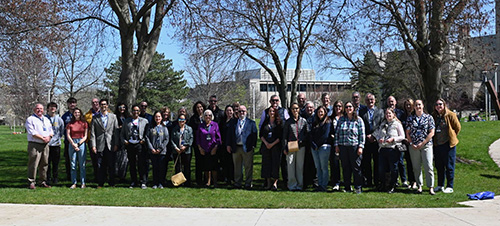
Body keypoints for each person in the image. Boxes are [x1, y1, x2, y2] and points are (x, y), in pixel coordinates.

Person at [405, 100, 436, 195]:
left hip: (426, 145)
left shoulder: (428, 117)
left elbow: (432, 132)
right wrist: (411, 143)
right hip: (414, 146)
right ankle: (419, 186)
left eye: (419, 105)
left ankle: (430, 187)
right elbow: (407, 133)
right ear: (414, 107)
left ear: (422, 106)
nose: (418, 107)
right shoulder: (410, 118)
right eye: (416, 105)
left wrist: (423, 142)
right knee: (416, 167)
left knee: (428, 166)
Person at [335, 101, 365, 194]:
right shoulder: (341, 119)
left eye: (350, 107)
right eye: (347, 107)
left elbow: (362, 134)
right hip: (343, 146)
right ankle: (347, 187)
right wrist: (336, 145)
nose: (348, 108)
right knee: (345, 167)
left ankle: (358, 186)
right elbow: (337, 134)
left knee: (356, 167)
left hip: (354, 146)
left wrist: (361, 146)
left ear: (353, 108)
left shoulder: (358, 120)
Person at [432, 98, 461, 194]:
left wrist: (452, 136)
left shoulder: (450, 115)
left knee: (449, 166)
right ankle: (440, 185)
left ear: (444, 105)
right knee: (439, 166)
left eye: (440, 104)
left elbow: (457, 127)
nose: (438, 106)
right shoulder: (434, 116)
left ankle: (449, 186)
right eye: (436, 104)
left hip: (448, 145)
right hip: (437, 144)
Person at [373, 108, 405, 193]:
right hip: (383, 148)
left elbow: (402, 136)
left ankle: (392, 185)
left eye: (389, 114)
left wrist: (393, 139)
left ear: (394, 114)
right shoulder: (383, 124)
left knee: (393, 168)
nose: (388, 115)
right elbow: (378, 134)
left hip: (393, 148)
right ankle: (383, 184)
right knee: (382, 168)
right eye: (386, 114)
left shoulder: (397, 124)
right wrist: (379, 139)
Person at [226, 105, 258, 189]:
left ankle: (248, 183)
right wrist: (228, 145)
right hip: (236, 147)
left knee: (248, 166)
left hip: (247, 148)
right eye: (240, 111)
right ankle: (237, 183)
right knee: (237, 166)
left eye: (243, 111)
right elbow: (229, 135)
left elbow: (254, 135)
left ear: (246, 112)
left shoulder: (251, 123)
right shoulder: (233, 122)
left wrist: (253, 146)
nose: (241, 113)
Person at [90, 99, 119, 188]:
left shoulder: (113, 117)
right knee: (100, 165)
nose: (103, 106)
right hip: (100, 143)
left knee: (111, 164)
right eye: (101, 104)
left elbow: (116, 131)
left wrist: (116, 144)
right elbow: (93, 133)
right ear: (99, 106)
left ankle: (111, 182)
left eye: (105, 104)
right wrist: (93, 145)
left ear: (107, 106)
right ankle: (101, 183)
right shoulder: (95, 118)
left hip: (110, 143)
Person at [25, 103, 54, 189]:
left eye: (41, 109)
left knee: (44, 163)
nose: (39, 110)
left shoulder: (46, 119)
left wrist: (49, 137)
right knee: (33, 163)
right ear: (34, 109)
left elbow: (51, 130)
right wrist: (42, 138)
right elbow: (32, 132)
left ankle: (42, 181)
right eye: (38, 108)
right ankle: (31, 182)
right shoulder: (30, 119)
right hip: (35, 144)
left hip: (45, 144)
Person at [121, 104, 150, 189]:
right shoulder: (127, 121)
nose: (135, 112)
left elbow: (147, 133)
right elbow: (122, 134)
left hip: (140, 144)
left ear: (139, 112)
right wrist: (124, 141)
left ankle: (143, 181)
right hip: (130, 144)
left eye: (137, 111)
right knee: (132, 164)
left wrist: (143, 140)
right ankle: (134, 181)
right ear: (131, 111)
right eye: (134, 110)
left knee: (141, 164)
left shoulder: (144, 121)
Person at [359, 93, 384, 188]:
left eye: (372, 99)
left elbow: (381, 125)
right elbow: (360, 125)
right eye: (368, 100)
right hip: (366, 140)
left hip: (376, 140)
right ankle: (368, 181)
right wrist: (366, 136)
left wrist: (374, 135)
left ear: (375, 100)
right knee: (366, 162)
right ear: (365, 101)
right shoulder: (361, 112)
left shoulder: (380, 111)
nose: (370, 101)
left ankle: (377, 181)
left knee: (377, 162)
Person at [283, 103, 310, 191]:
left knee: (299, 166)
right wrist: (285, 147)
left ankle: (299, 185)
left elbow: (307, 134)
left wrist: (302, 141)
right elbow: (284, 136)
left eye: (296, 108)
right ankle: (292, 185)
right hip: (291, 146)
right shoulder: (288, 122)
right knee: (290, 165)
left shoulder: (303, 121)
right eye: (293, 109)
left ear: (299, 109)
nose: (295, 110)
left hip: (301, 146)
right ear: (291, 110)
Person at [310, 106, 334, 192]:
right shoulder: (315, 122)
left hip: (324, 147)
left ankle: (324, 185)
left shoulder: (328, 122)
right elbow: (311, 135)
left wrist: (318, 145)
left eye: (322, 112)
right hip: (314, 148)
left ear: (325, 112)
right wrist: (313, 145)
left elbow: (325, 136)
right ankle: (319, 185)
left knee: (324, 167)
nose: (320, 113)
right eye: (319, 112)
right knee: (318, 167)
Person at [196, 109, 222, 187]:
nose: (208, 117)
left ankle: (215, 182)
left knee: (214, 166)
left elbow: (218, 137)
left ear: (212, 116)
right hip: (204, 149)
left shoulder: (215, 125)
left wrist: (216, 147)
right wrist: (200, 148)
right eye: (206, 115)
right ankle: (208, 181)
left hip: (213, 148)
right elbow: (198, 138)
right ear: (203, 116)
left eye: (209, 115)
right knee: (206, 166)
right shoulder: (201, 125)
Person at [259, 106, 283, 191]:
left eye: (273, 111)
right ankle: (268, 183)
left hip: (275, 146)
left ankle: (275, 183)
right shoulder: (265, 122)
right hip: (266, 146)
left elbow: (280, 136)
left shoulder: (278, 123)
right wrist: (266, 143)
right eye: (270, 111)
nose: (271, 112)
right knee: (266, 164)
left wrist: (272, 144)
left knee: (275, 164)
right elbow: (261, 134)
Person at [387, 96, 408, 187]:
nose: (391, 103)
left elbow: (404, 123)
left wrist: (396, 120)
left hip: (400, 140)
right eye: (389, 101)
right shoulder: (386, 112)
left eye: (392, 101)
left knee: (400, 161)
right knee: (392, 162)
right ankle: (394, 180)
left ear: (395, 102)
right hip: (389, 143)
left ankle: (404, 180)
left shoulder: (401, 112)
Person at [66, 108, 88, 189]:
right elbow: (68, 135)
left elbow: (85, 135)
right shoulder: (70, 124)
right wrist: (73, 144)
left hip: (81, 142)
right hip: (72, 143)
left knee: (82, 164)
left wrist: (78, 144)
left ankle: (83, 182)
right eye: (75, 112)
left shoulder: (84, 123)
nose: (77, 114)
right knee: (73, 164)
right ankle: (74, 182)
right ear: (73, 114)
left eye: (78, 112)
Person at [147, 111, 170, 189]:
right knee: (155, 167)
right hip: (153, 151)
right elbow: (147, 138)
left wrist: (160, 149)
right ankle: (155, 183)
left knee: (161, 167)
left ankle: (161, 183)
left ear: (161, 118)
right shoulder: (150, 127)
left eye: (159, 117)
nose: (158, 118)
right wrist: (151, 148)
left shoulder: (164, 128)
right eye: (156, 116)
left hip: (162, 151)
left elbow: (166, 139)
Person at [170, 113, 194, 186]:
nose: (181, 121)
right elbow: (172, 140)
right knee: (178, 167)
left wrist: (185, 146)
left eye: (183, 119)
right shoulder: (175, 129)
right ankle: (178, 182)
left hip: (186, 151)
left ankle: (187, 182)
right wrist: (176, 148)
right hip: (177, 151)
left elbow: (191, 139)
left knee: (187, 167)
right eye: (180, 119)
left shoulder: (189, 129)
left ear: (185, 120)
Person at [45, 102, 64, 185]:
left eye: (54, 107)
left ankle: (55, 178)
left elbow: (61, 130)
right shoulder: (44, 118)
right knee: (47, 162)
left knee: (55, 163)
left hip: (56, 144)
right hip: (46, 144)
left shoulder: (59, 119)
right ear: (48, 108)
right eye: (51, 107)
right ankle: (47, 178)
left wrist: (57, 139)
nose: (52, 108)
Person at [189, 101, 206, 186]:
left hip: (207, 143)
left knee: (206, 162)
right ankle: (199, 180)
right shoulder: (193, 119)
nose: (200, 109)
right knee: (198, 162)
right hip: (197, 143)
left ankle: (207, 180)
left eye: (201, 107)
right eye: (198, 107)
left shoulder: (207, 116)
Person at [85, 98, 101, 182]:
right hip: (92, 138)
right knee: (94, 158)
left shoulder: (106, 113)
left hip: (102, 139)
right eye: (93, 103)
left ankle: (104, 176)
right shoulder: (87, 115)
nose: (95, 104)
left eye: (97, 102)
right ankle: (96, 177)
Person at [402, 98, 417, 189]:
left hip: (414, 141)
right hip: (405, 142)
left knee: (415, 162)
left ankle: (416, 181)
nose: (408, 107)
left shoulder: (415, 115)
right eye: (406, 105)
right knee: (408, 162)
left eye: (410, 105)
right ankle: (410, 180)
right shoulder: (402, 116)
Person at [61, 97, 77, 181]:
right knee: (68, 160)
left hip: (78, 141)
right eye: (70, 103)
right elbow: (62, 128)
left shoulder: (78, 114)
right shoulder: (64, 116)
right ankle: (69, 176)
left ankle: (78, 177)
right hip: (68, 141)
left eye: (74, 103)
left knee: (78, 160)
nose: (72, 104)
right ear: (68, 104)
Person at [218, 105, 235, 184]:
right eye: (227, 110)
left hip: (232, 145)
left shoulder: (235, 121)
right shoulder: (222, 121)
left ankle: (232, 178)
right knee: (224, 162)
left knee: (232, 162)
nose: (229, 112)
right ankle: (226, 178)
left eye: (230, 110)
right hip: (223, 144)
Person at [114, 103, 130, 183]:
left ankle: (122, 176)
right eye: (120, 107)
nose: (122, 109)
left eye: (124, 107)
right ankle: (116, 175)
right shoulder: (114, 117)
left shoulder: (128, 117)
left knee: (125, 159)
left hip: (126, 141)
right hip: (117, 140)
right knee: (117, 159)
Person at [330, 100, 343, 191]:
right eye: (336, 106)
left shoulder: (345, 117)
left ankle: (346, 182)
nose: (338, 108)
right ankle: (336, 182)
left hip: (344, 143)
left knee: (345, 164)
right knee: (334, 164)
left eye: (339, 106)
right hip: (334, 144)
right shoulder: (330, 118)